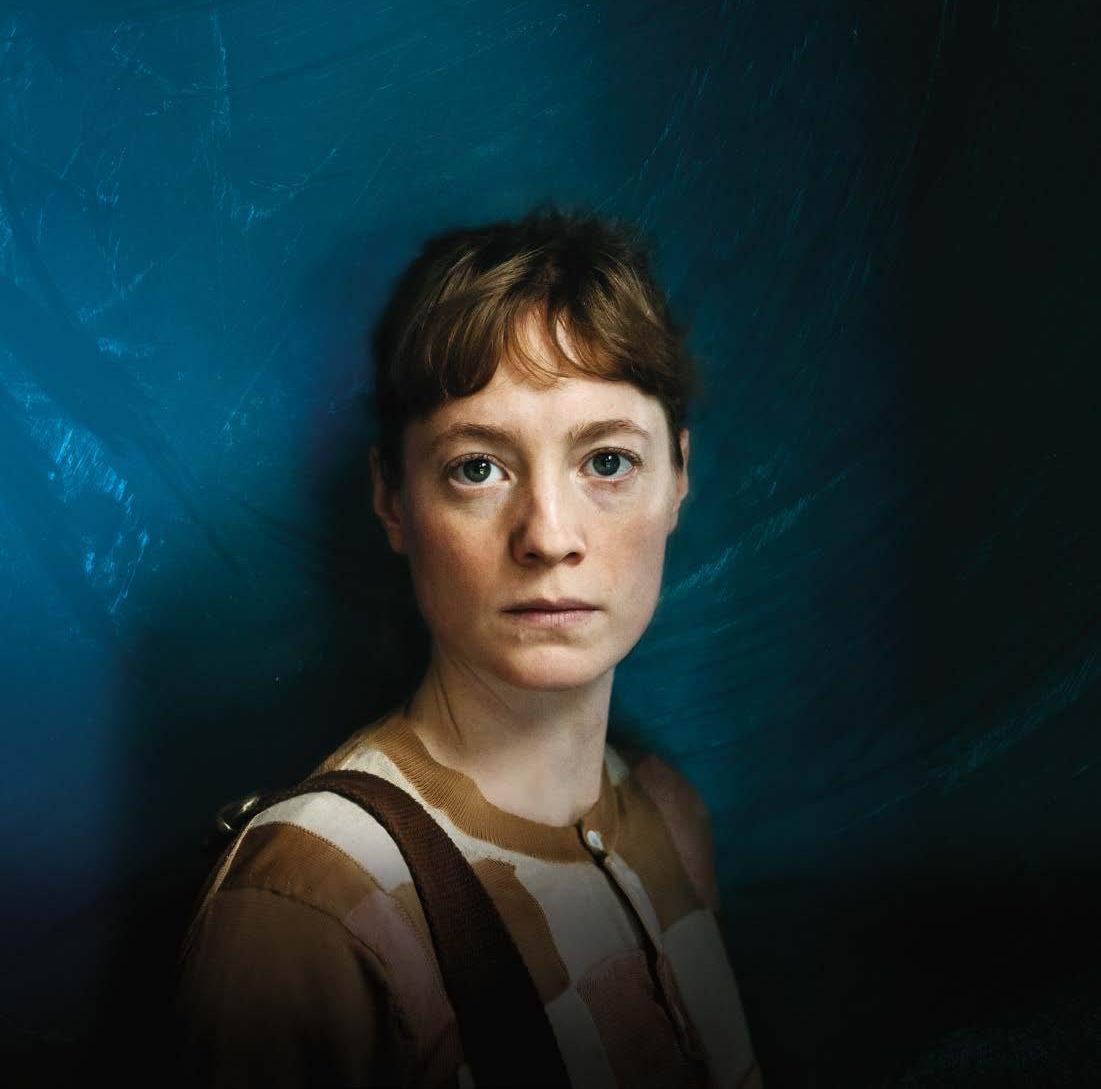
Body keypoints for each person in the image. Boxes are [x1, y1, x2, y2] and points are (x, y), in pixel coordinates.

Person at [176, 206, 762, 1088]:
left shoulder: (671, 817)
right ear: (391, 497)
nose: (549, 536)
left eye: (607, 461)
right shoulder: (307, 903)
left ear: (677, 475)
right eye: (477, 467)